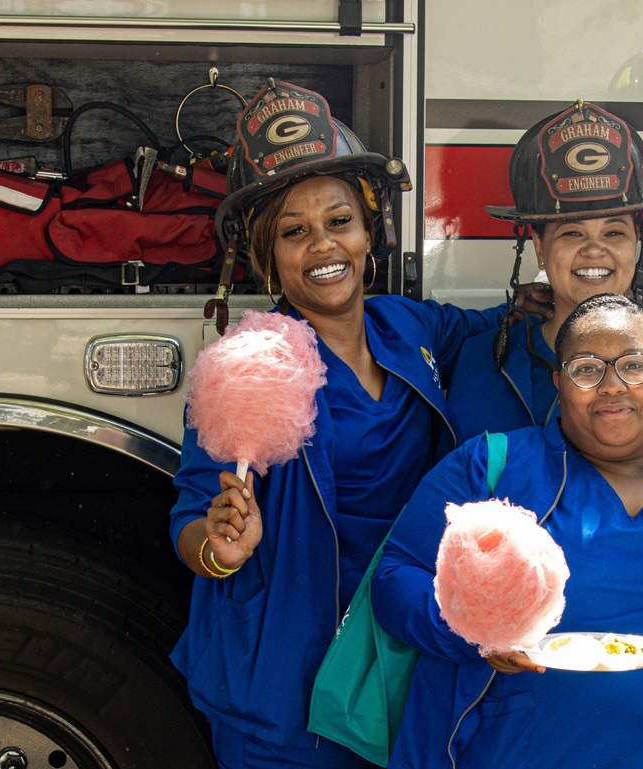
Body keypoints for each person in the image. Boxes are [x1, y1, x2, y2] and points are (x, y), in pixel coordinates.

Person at [168, 80, 525, 769]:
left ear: (370, 231)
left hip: (392, 660)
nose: (323, 245)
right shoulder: (252, 363)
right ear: (268, 256)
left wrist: (611, 284)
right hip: (285, 691)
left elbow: (503, 332)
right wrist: (219, 549)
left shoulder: (411, 327)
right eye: (294, 233)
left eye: (339, 222)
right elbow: (190, 512)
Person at [375, 294, 643, 769]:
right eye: (586, 369)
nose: (612, 386)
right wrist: (474, 634)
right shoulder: (491, 468)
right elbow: (394, 580)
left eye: (635, 366)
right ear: (560, 384)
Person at [443, 101, 643, 506]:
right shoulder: (482, 361)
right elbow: (446, 502)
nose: (594, 251)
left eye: (614, 233)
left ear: (637, 245)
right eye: (572, 233)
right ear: (539, 247)